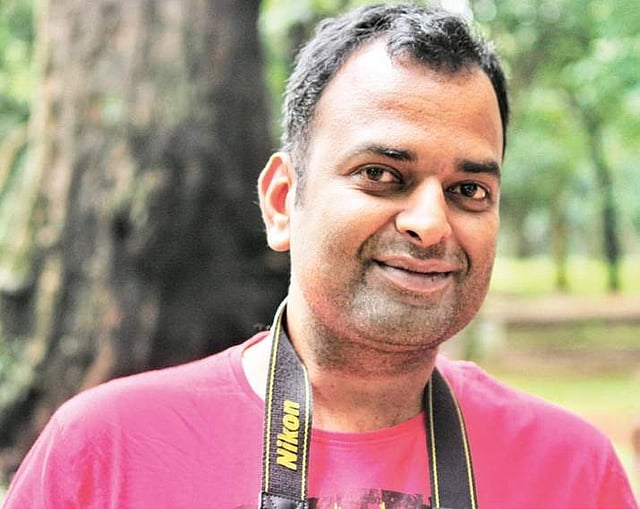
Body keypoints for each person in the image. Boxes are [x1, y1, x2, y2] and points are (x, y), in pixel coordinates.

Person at [2, 4, 637, 509]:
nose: (429, 224)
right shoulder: (108, 452)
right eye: (381, 175)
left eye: (468, 190)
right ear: (283, 201)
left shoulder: (573, 471)